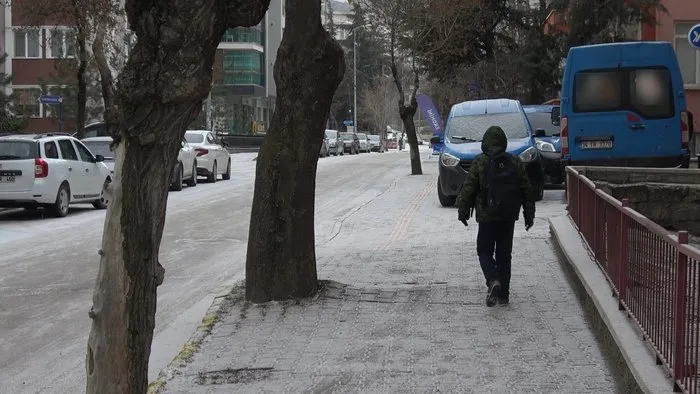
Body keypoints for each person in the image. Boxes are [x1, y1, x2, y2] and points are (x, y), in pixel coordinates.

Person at [456, 126, 535, 307]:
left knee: (484, 250)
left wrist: (463, 212)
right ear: (504, 143)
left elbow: (468, 189)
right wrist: (529, 215)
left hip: (487, 216)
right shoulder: (515, 162)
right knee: (504, 254)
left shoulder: (479, 163)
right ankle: (504, 295)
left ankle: (492, 279)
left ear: (485, 142)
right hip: (508, 216)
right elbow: (527, 190)